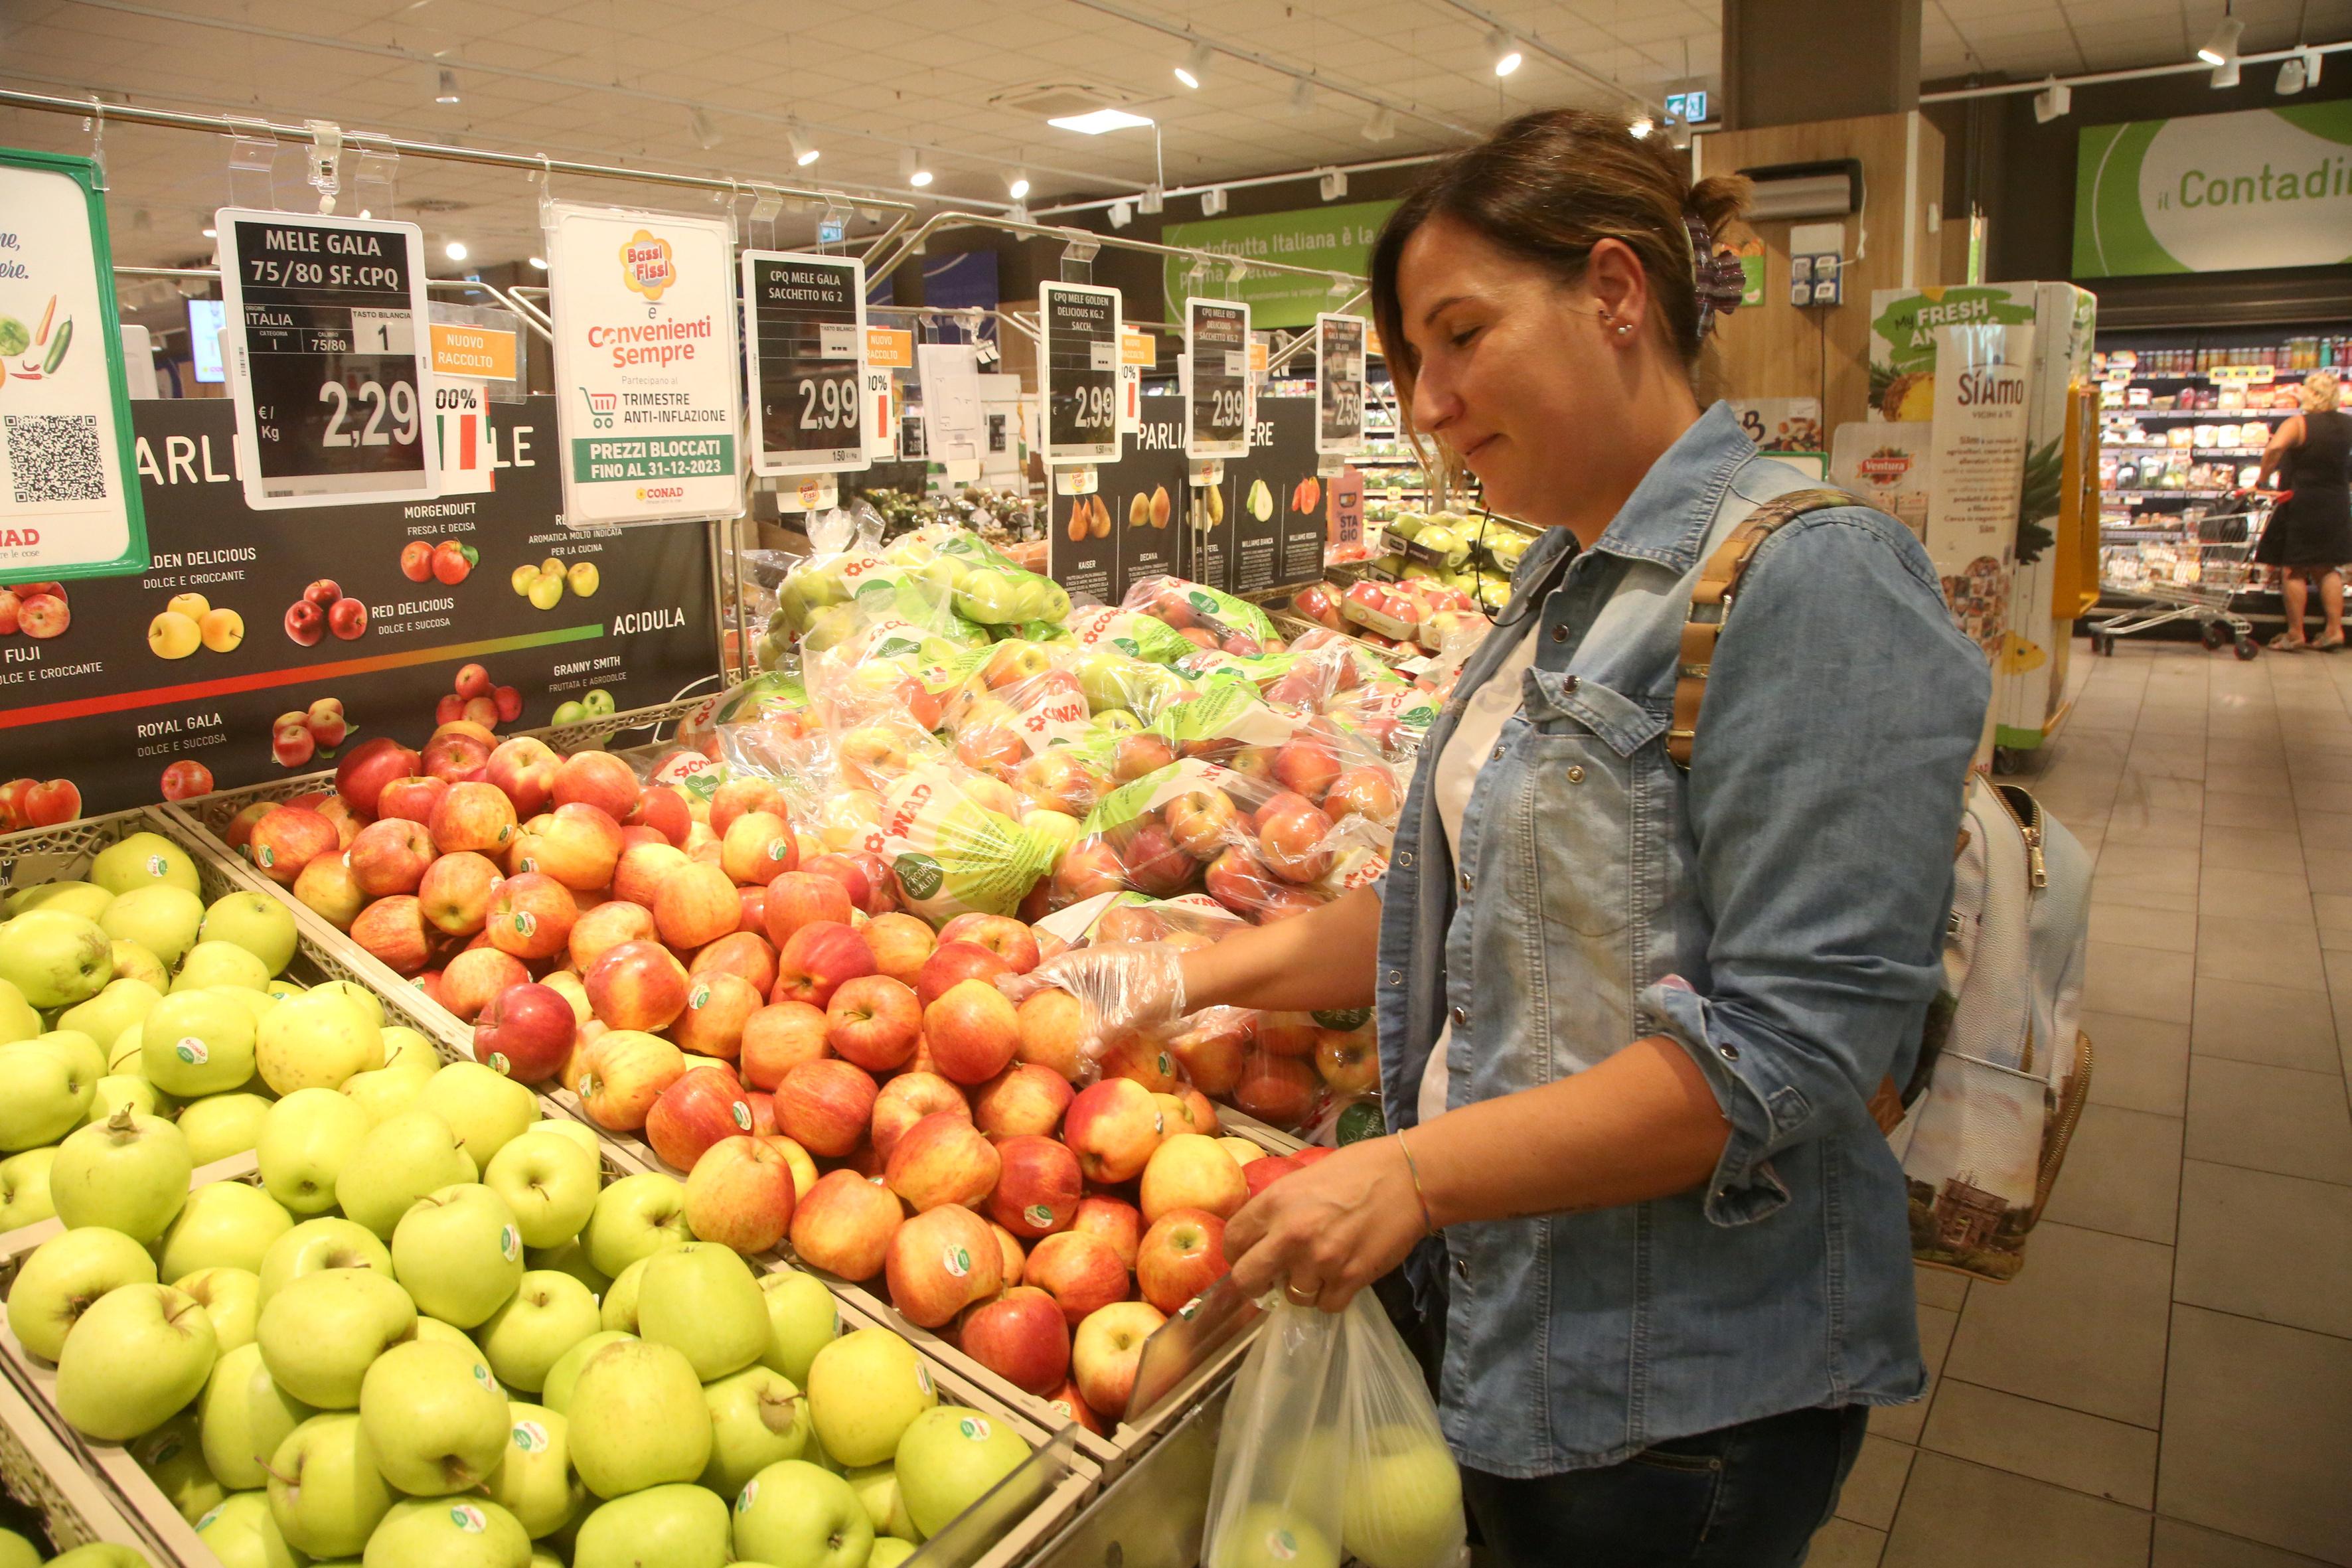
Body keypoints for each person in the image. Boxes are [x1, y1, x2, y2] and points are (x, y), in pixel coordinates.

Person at [1011, 108, 1989, 1568]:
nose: (1426, 398)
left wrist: (1413, 1173)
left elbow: (1792, 1053)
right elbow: (1455, 902)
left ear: (1613, 292)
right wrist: (1179, 976)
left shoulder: (1812, 580)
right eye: (1412, 359)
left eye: (1459, 336)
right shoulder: (1566, 573)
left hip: (1668, 1386)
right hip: (1504, 1305)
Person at [2256, 369, 2352, 651]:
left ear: (2312, 394)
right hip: (2334, 501)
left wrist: (2263, 479)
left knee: (2293, 569)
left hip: (2300, 502)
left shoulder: (2299, 424)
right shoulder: (2348, 424)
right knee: (2327, 567)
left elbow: (2274, 449)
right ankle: (2334, 630)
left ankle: (2296, 633)